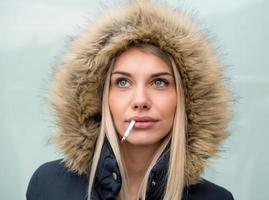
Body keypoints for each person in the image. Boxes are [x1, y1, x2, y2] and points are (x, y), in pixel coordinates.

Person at [26, 1, 233, 200]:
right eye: (123, 82)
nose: (141, 100)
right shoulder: (48, 185)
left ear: (186, 100)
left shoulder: (216, 198)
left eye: (159, 82)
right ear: (99, 97)